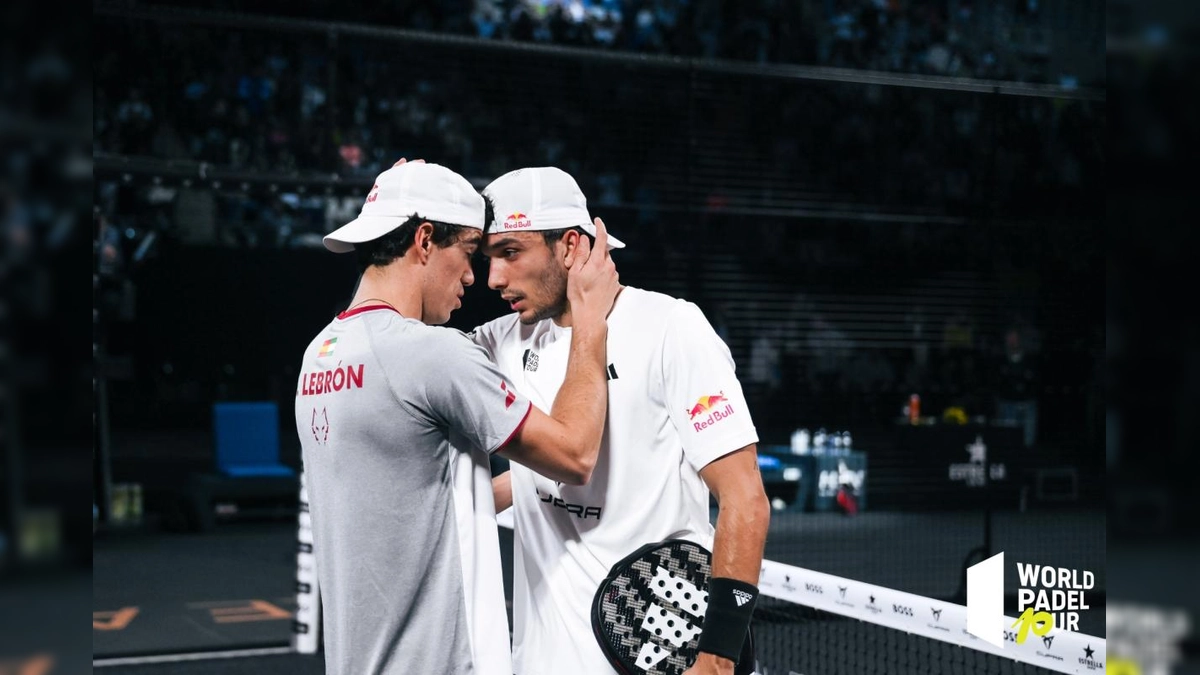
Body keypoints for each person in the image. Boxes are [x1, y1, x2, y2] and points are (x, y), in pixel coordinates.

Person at [294, 160, 620, 674]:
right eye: (468, 250)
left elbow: (426, 501)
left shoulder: (321, 355)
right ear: (424, 240)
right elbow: (575, 454)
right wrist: (590, 319)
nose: (474, 275)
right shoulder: (431, 353)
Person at [471, 167, 770, 675]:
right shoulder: (502, 341)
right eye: (489, 258)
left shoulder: (670, 327)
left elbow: (745, 498)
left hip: (648, 657)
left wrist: (718, 659)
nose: (494, 278)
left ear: (570, 247)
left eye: (510, 252)